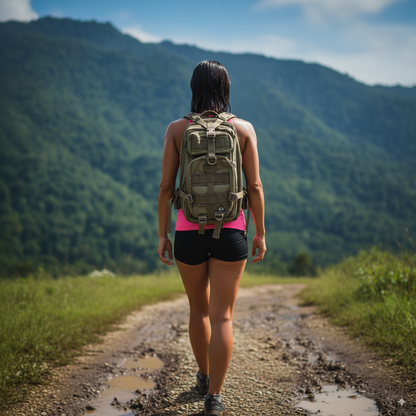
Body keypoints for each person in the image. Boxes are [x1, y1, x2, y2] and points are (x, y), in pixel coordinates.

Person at [158, 60, 266, 416]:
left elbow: (165, 188)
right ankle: (214, 398)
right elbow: (253, 187)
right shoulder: (244, 128)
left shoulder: (177, 129)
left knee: (199, 310)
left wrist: (163, 234)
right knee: (223, 317)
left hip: (188, 231)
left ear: (194, 88)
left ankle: (203, 375)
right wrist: (260, 233)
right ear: (226, 88)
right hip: (231, 231)